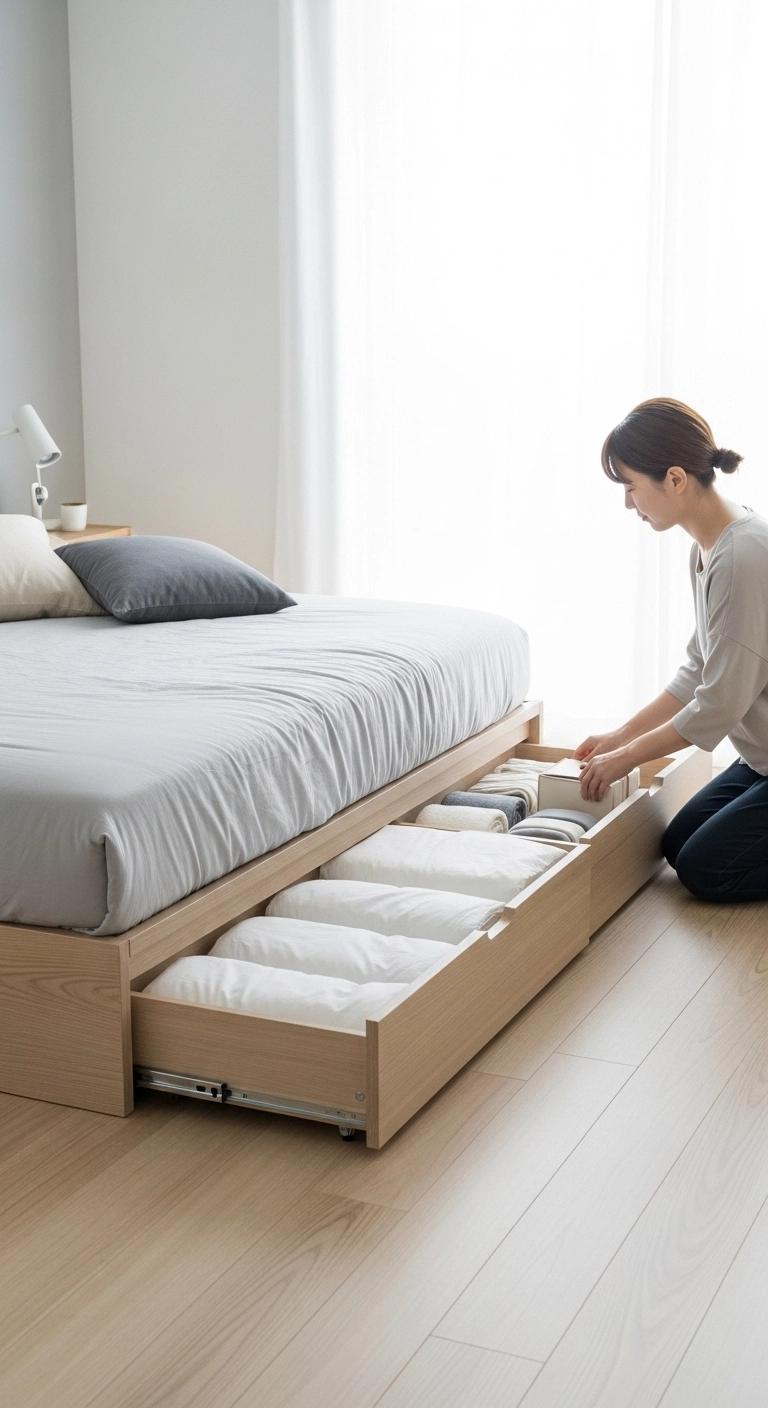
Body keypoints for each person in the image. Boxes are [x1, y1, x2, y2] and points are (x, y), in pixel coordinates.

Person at [574, 396, 768, 903]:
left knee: (707, 870)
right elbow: (698, 670)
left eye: (631, 487)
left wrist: (626, 760)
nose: (628, 504)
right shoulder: (706, 548)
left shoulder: (745, 555)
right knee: (678, 845)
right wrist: (619, 736)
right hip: (760, 758)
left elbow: (718, 706)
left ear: (675, 479)